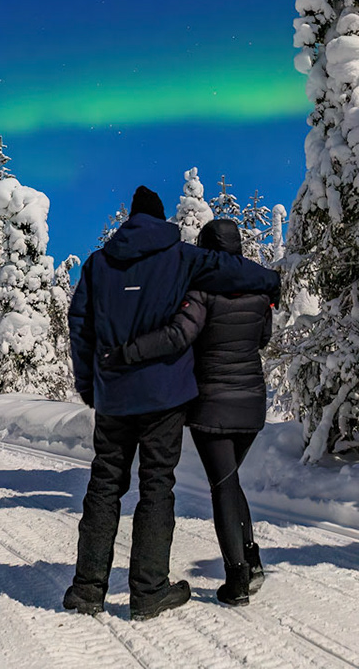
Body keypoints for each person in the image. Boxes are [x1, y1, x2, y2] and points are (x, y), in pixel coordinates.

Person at [64, 186, 282, 621]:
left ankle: (87, 589)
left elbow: (80, 327)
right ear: (161, 219)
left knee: (104, 485)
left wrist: (89, 386)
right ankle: (149, 591)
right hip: (165, 395)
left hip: (114, 397)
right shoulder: (181, 257)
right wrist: (270, 281)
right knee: (157, 486)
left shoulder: (98, 264)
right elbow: (232, 271)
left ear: (129, 221)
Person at [107, 218, 271, 605]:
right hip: (251, 400)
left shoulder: (200, 289)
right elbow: (263, 338)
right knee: (229, 479)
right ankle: (251, 560)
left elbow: (179, 335)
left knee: (223, 484)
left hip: (211, 401)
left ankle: (237, 580)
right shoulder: (259, 289)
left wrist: (131, 351)